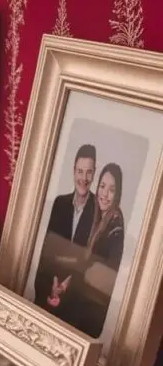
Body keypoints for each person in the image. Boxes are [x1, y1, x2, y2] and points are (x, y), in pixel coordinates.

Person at [33, 143, 97, 316]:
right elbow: (48, 252)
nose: (84, 178)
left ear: (94, 172)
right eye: (80, 171)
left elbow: (90, 262)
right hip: (49, 288)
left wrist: (67, 283)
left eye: (89, 172)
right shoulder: (59, 203)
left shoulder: (99, 212)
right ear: (74, 171)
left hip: (77, 298)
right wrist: (51, 285)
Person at [75, 163, 125, 337]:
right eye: (102, 186)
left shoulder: (116, 228)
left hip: (92, 310)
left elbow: (107, 276)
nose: (104, 194)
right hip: (83, 300)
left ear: (117, 194)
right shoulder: (99, 218)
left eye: (111, 190)